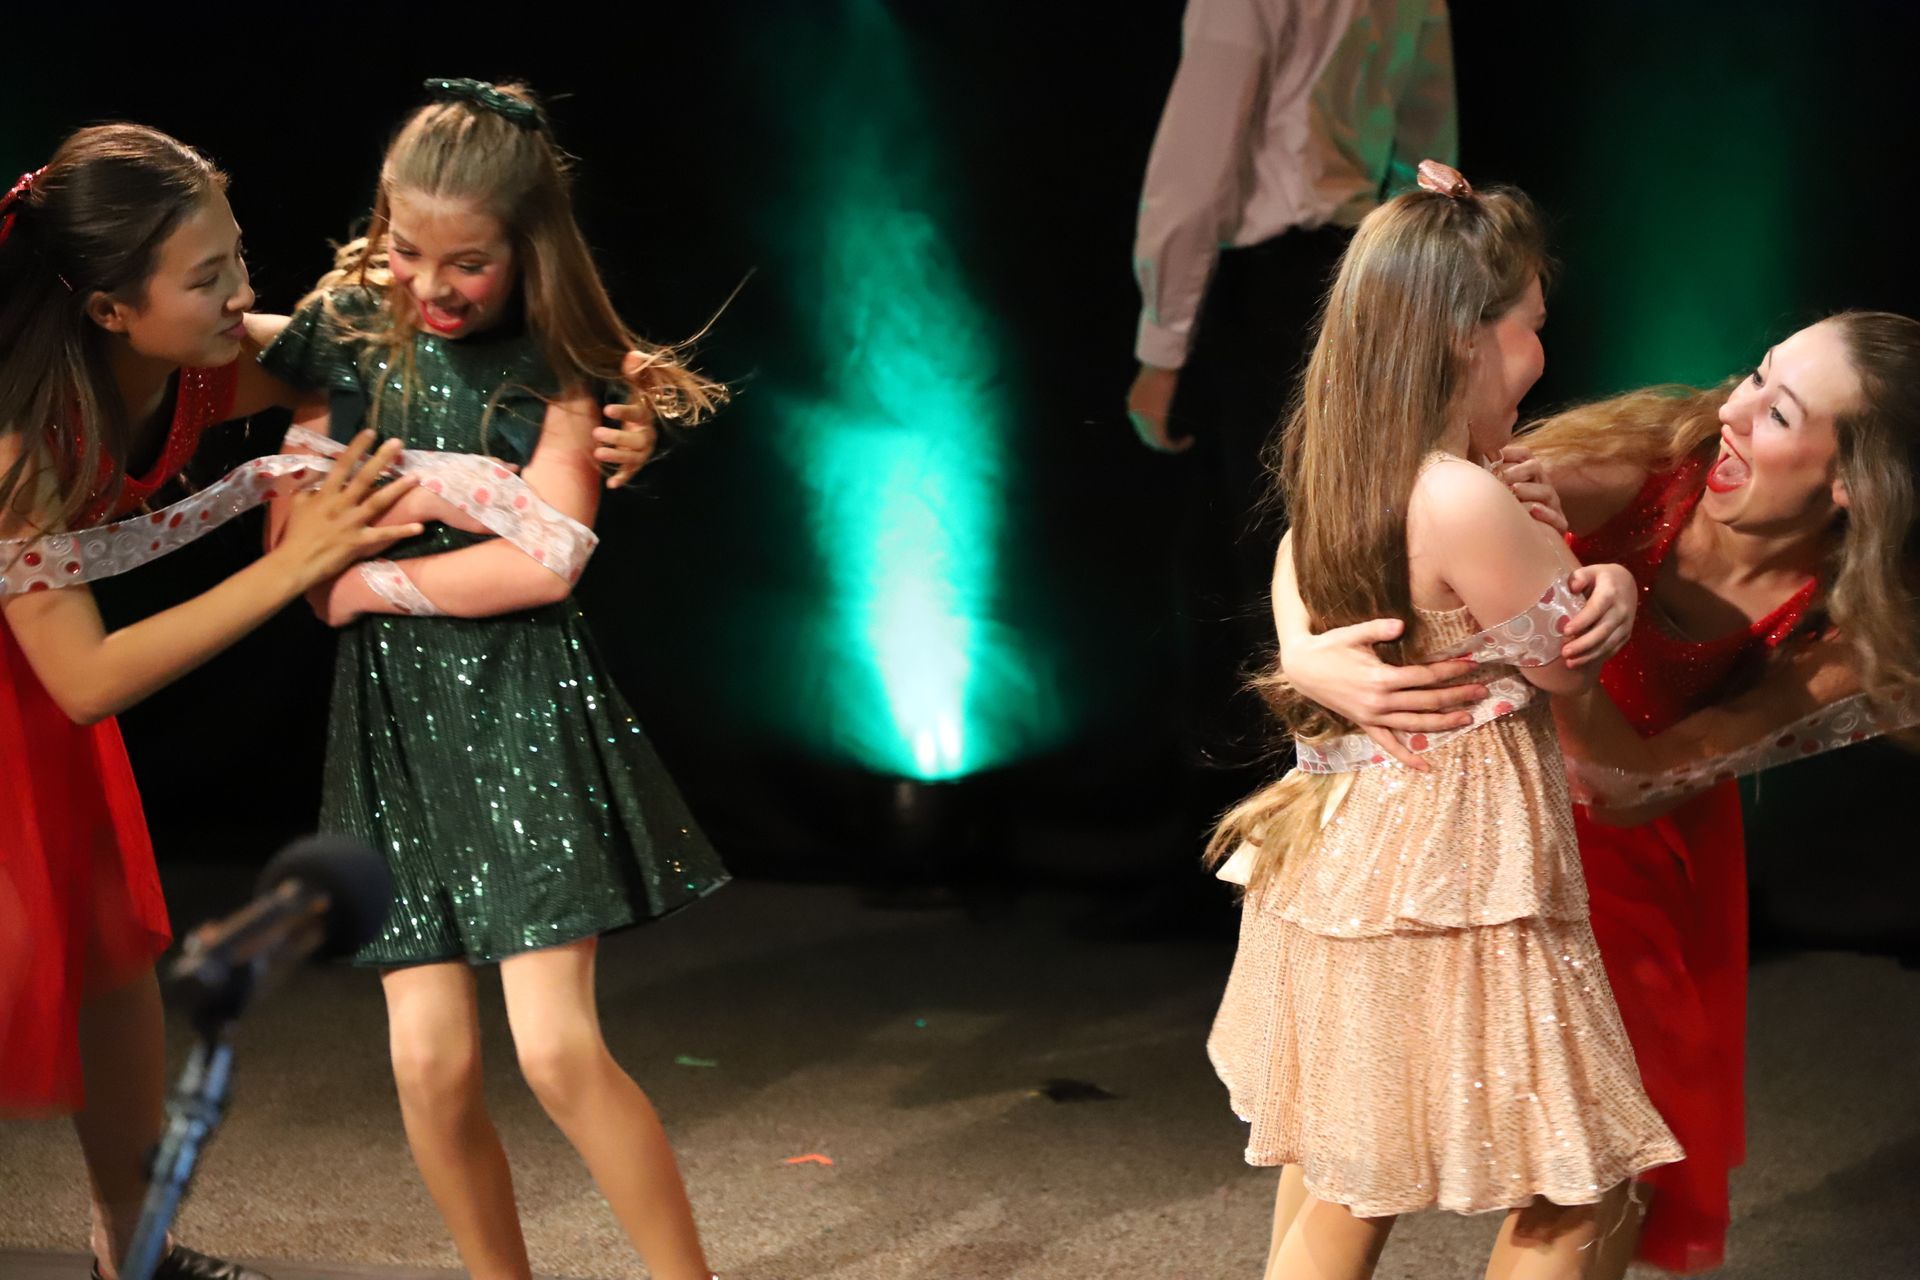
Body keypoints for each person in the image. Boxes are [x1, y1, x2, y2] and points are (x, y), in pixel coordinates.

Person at [1269, 309, 1920, 1274]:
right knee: (1368, 1105)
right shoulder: (1647, 462)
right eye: (1754, 371)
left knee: (1600, 1162)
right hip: (1466, 806)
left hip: (1630, 846)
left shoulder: (1848, 624)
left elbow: (1630, 782)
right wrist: (1305, 654)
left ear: (1852, 485)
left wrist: (1559, 628)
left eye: (1778, 411)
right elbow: (1363, 513)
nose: (1732, 411)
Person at [259, 79, 727, 1280]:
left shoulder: (560, 361)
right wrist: (321, 538)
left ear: (530, 248)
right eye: (409, 250)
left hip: (519, 707)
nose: (432, 286)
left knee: (559, 1052)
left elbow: (547, 560)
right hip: (392, 727)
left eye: (468, 262)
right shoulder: (349, 325)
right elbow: (289, 519)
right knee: (425, 1060)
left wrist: (366, 581)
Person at [1205, 161, 1677, 1280]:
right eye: (1531, 327)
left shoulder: (1359, 469)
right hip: (1455, 872)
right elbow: (1568, 670)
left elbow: (1298, 561)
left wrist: (1304, 648)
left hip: (1354, 854)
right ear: (1468, 337)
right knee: (1583, 1182)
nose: (1540, 355)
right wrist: (1603, 587)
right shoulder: (1462, 494)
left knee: (1344, 1169)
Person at [0, 125, 423, 1280]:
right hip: (40, 686)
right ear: (106, 309)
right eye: (209, 277)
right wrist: (292, 564)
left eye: (238, 259)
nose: (244, 293)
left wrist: (600, 389)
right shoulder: (20, 440)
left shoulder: (200, 364)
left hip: (28, 696)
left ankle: (129, 1247)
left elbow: (390, 355)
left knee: (106, 957)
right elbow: (85, 682)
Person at [1126, 0, 1456, 778]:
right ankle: (1303, 836)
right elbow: (1426, 146)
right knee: (1321, 559)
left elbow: (1196, 168)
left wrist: (1161, 348)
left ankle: (1235, 853)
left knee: (1239, 572)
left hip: (1258, 288)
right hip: (1353, 272)